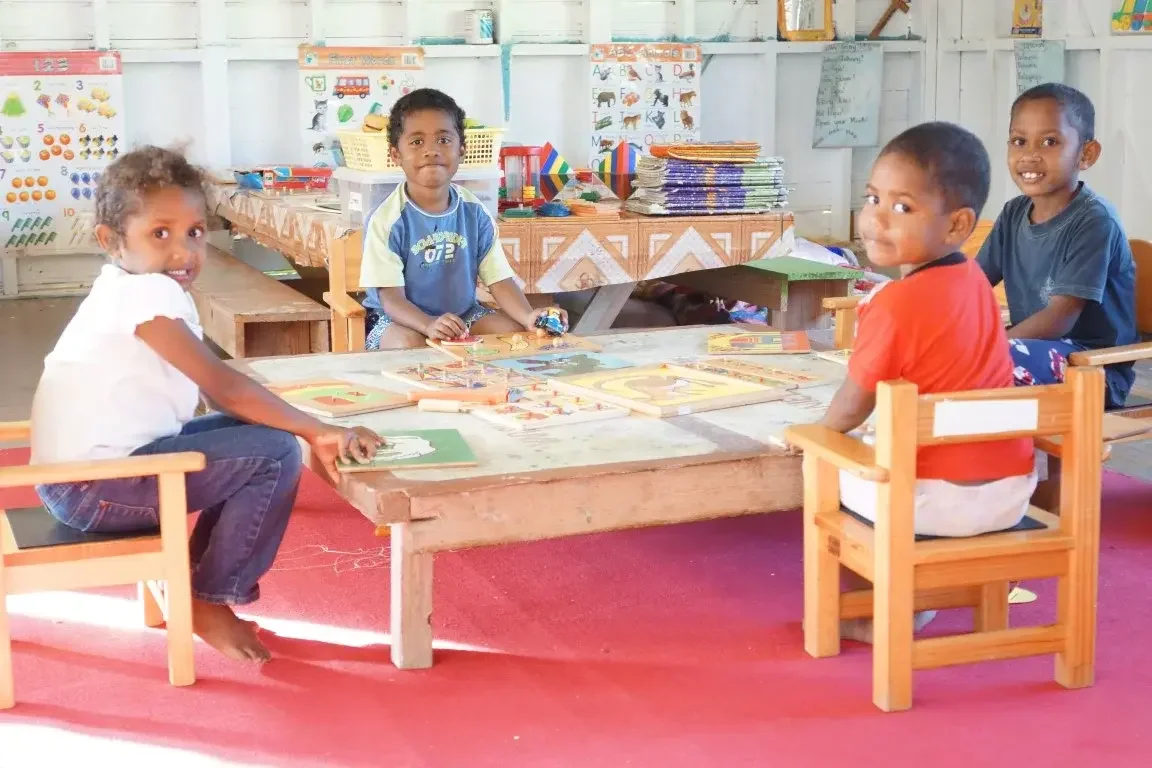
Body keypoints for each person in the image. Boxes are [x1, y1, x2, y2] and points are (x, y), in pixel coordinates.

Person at [29, 146, 383, 663]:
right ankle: (208, 598)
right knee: (275, 453)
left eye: (194, 232)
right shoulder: (145, 296)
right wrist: (318, 430)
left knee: (253, 436)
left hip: (86, 477)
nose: (182, 252)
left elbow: (227, 394)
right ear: (111, 241)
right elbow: (223, 386)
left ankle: (196, 587)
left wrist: (309, 421)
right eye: (160, 233)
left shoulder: (127, 286)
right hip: (95, 487)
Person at [813, 122, 1037, 642]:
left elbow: (849, 409)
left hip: (929, 500)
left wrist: (813, 435)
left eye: (901, 207)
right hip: (1007, 493)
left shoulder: (894, 302)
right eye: (872, 198)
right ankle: (922, 598)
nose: (873, 220)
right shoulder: (976, 283)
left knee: (824, 461)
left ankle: (884, 609)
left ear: (958, 225)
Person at [359, 88, 567, 350]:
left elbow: (499, 280)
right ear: (395, 155)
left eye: (443, 140)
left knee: (514, 336)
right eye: (416, 142)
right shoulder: (386, 220)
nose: (431, 151)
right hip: (396, 320)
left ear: (462, 150)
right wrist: (428, 324)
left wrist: (528, 317)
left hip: (464, 315)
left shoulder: (474, 212)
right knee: (409, 346)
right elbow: (390, 298)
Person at [977, 83, 1137, 410]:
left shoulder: (1094, 220)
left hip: (1093, 368)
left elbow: (1060, 318)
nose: (1030, 154)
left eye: (1049, 142)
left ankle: (1009, 459)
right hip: (1031, 349)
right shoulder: (1013, 213)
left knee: (989, 364)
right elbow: (973, 286)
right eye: (1019, 141)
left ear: (1086, 154)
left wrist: (988, 346)